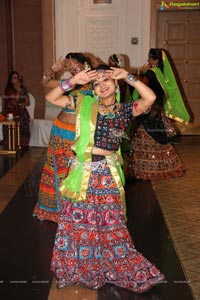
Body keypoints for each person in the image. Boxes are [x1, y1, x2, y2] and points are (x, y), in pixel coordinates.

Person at [46, 64, 165, 292]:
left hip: (105, 175)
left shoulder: (124, 110)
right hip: (80, 173)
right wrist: (73, 82)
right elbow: (52, 97)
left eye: (106, 80)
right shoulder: (83, 103)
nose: (101, 85)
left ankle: (111, 264)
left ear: (115, 83)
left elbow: (149, 97)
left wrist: (128, 76)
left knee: (109, 224)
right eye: (96, 83)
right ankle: (78, 267)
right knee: (78, 223)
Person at [33, 52, 98, 223]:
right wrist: (52, 69)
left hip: (79, 134)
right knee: (56, 167)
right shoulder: (70, 84)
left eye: (77, 66)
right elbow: (45, 83)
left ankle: (74, 212)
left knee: (75, 170)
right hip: (60, 130)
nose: (73, 70)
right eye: (70, 67)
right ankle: (53, 209)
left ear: (86, 65)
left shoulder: (95, 82)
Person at [126, 48, 190, 180]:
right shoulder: (162, 74)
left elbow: (141, 85)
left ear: (156, 60)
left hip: (149, 111)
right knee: (160, 139)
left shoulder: (151, 73)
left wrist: (139, 73)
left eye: (150, 58)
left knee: (146, 136)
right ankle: (165, 168)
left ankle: (146, 170)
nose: (148, 60)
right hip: (158, 110)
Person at [1, 71, 30, 147]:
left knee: (23, 118)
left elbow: (28, 102)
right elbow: (15, 100)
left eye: (17, 78)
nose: (16, 79)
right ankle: (9, 142)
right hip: (10, 111)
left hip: (20, 110)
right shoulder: (9, 90)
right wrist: (17, 90)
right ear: (10, 80)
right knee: (10, 120)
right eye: (14, 78)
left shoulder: (23, 89)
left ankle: (22, 143)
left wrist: (22, 104)